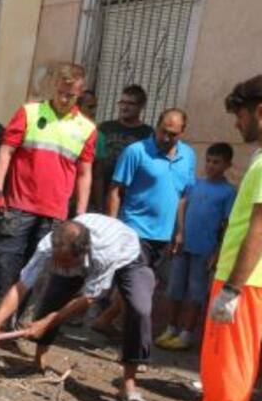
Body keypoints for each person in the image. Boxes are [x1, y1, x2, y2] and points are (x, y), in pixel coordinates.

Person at [172, 76, 262, 401]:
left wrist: (232, 289)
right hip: (247, 280)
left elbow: (258, 229)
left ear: (259, 111)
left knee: (228, 360)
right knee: (229, 359)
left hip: (245, 280)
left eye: (240, 115)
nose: (237, 124)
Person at [0, 215, 156, 401]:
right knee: (54, 296)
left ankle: (128, 384)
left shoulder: (105, 253)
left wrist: (48, 321)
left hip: (128, 254)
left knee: (140, 309)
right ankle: (38, 362)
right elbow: (21, 287)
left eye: (65, 262)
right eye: (58, 259)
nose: (60, 266)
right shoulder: (49, 245)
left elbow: (90, 297)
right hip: (83, 253)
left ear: (82, 253)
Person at [0, 62, 95, 324]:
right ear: (55, 86)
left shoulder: (86, 129)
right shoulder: (29, 113)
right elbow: (5, 151)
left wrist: (81, 214)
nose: (64, 99)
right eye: (61, 92)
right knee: (4, 265)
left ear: (80, 92)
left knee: (35, 272)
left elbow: (85, 173)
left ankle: (11, 326)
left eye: (71, 95)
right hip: (19, 206)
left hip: (55, 214)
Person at [91, 109, 196, 336]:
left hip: (164, 235)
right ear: (156, 126)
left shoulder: (188, 156)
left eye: (173, 134)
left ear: (182, 132)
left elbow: (184, 195)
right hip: (135, 229)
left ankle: (105, 319)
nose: (167, 138)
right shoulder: (136, 152)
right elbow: (116, 190)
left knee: (144, 286)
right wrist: (113, 227)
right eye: (163, 132)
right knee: (138, 288)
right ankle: (131, 341)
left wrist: (179, 230)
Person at [158, 143, 237, 350]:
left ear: (227, 165)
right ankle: (171, 328)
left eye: (216, 162)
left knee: (196, 292)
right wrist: (178, 234)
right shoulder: (194, 184)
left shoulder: (228, 192)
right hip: (184, 246)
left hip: (205, 250)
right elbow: (182, 205)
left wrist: (218, 252)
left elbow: (227, 225)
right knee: (174, 289)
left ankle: (186, 334)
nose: (211, 166)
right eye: (208, 161)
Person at [95, 84, 152, 210]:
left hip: (129, 199)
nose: (125, 107)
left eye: (130, 104)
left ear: (141, 106)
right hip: (99, 192)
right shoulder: (105, 128)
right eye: (122, 102)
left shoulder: (147, 134)